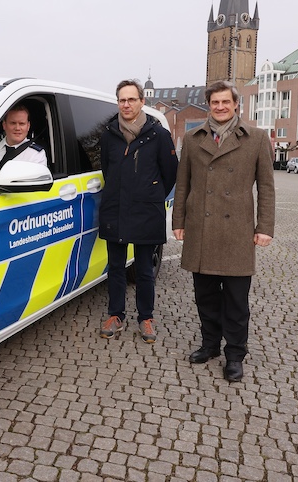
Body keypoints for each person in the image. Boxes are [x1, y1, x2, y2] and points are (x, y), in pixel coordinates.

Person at [172, 80, 275, 382]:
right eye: (214, 103)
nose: (219, 107)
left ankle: (234, 354)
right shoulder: (192, 139)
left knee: (235, 300)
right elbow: (183, 185)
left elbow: (267, 187)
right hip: (201, 228)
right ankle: (209, 345)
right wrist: (178, 221)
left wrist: (264, 227)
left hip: (237, 231)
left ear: (235, 105)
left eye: (225, 102)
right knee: (205, 296)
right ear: (209, 105)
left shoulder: (255, 138)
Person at [98, 79, 178, 343]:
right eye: (122, 100)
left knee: (144, 270)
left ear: (142, 101)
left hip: (146, 212)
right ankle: (115, 315)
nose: (126, 104)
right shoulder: (109, 134)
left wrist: (149, 193)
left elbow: (169, 174)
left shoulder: (159, 135)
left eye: (132, 99)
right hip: (116, 208)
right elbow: (107, 171)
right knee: (116, 267)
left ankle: (146, 317)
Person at [0, 104, 48, 168]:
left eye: (21, 124)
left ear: (28, 126)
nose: (17, 128)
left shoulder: (36, 154)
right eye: (13, 123)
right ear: (4, 125)